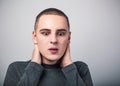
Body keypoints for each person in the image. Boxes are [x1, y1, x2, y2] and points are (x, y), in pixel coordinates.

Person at [3, 8, 93, 86]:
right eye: (45, 33)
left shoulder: (80, 69)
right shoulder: (16, 69)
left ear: (69, 37)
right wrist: (34, 65)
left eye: (61, 33)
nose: (53, 40)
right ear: (35, 37)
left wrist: (68, 66)